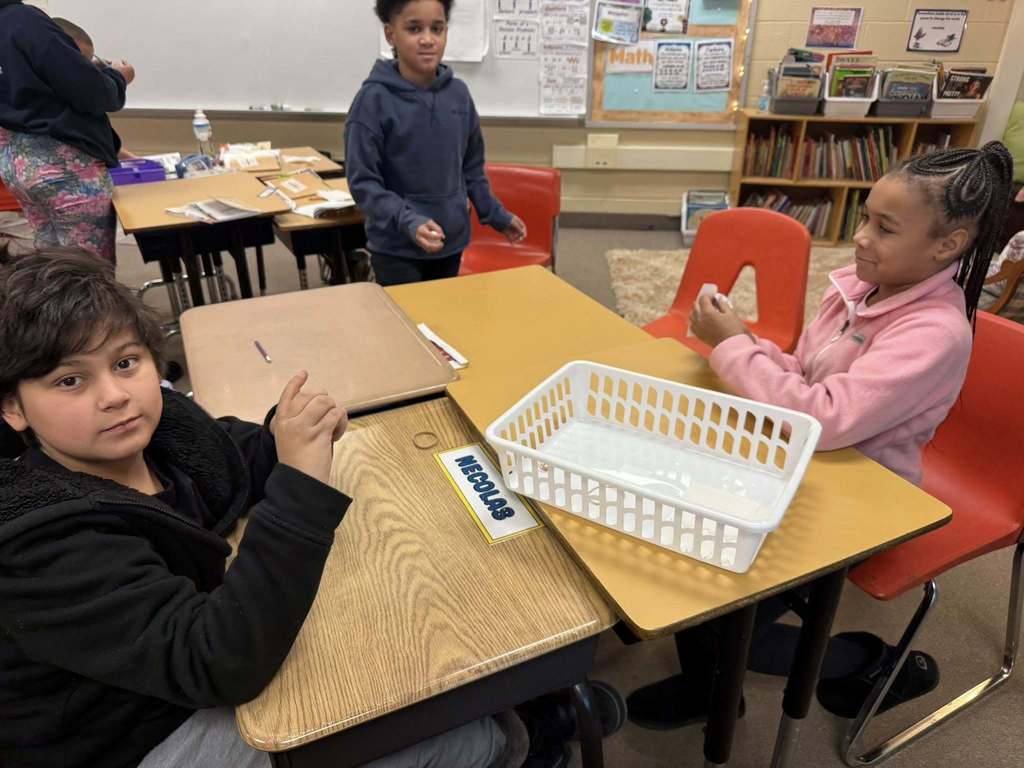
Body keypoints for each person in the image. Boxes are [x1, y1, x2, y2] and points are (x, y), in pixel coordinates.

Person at [0, 251, 518, 767]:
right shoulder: (40, 541)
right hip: (129, 737)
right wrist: (301, 484)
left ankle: (516, 714)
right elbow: (217, 662)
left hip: (184, 669)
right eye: (70, 381)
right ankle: (514, 742)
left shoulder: (157, 430)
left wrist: (284, 436)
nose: (115, 395)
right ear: (13, 408)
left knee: (418, 652)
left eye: (125, 363)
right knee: (463, 738)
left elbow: (230, 460)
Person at [627, 142, 1014, 727]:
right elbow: (804, 375)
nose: (860, 237)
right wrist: (747, 344)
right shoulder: (860, 290)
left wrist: (732, 346)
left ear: (947, 245)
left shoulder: (934, 334)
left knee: (718, 609)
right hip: (802, 464)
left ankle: (863, 662)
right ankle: (712, 685)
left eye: (883, 228)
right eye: (864, 217)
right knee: (688, 550)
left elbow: (826, 420)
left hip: (864, 497)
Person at [345, 0, 527, 286]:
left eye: (437, 28)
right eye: (414, 29)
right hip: (397, 248)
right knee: (406, 326)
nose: (428, 39)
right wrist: (408, 221)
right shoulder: (372, 101)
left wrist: (495, 214)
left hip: (450, 242)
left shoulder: (459, 95)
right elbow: (363, 182)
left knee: (443, 322)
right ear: (391, 35)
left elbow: (471, 168)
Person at [0, 1, 134, 264]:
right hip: (62, 168)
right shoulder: (24, 21)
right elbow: (93, 93)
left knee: (52, 263)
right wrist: (117, 77)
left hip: (17, 164)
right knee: (88, 270)